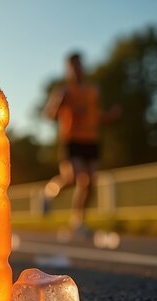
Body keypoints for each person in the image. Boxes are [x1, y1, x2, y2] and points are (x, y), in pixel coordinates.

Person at [42, 52, 120, 236]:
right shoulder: (64, 91)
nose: (77, 69)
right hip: (72, 140)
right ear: (68, 70)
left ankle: (78, 221)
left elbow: (95, 116)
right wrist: (59, 105)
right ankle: (49, 192)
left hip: (91, 140)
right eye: (72, 66)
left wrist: (110, 116)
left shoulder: (93, 90)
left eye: (79, 65)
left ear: (82, 66)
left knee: (89, 182)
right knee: (73, 177)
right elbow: (49, 115)